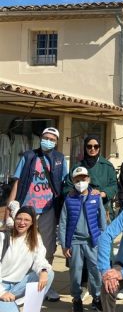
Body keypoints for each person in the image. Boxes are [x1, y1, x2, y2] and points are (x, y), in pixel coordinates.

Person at [7, 127, 68, 302]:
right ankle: (21, 284)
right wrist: (9, 211)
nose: (48, 141)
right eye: (45, 137)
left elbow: (64, 184)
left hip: (48, 209)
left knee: (47, 248)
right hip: (27, 210)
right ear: (40, 138)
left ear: (56, 142)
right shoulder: (28, 156)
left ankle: (46, 286)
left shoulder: (59, 159)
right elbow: (17, 182)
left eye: (52, 139)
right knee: (23, 247)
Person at [59, 166, 107, 312]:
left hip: (93, 241)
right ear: (73, 181)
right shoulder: (69, 199)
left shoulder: (95, 197)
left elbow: (102, 221)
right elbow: (63, 223)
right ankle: (76, 299)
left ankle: (97, 297)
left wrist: (103, 240)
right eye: (77, 179)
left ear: (89, 179)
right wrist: (64, 244)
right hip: (74, 241)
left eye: (83, 178)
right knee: (75, 271)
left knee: (95, 270)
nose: (81, 181)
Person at [0, 206, 54, 312]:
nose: (22, 223)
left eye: (26, 220)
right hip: (2, 284)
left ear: (32, 223)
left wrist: (43, 271)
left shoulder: (35, 239)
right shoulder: (3, 237)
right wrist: (2, 292)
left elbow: (40, 259)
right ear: (14, 219)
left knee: (48, 273)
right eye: (19, 218)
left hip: (18, 285)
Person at [64, 135, 117, 221]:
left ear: (99, 148)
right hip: (80, 209)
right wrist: (73, 192)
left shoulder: (107, 166)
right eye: (89, 146)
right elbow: (68, 186)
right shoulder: (77, 167)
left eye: (96, 146)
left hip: (102, 208)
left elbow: (114, 185)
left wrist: (103, 193)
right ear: (85, 148)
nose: (92, 149)